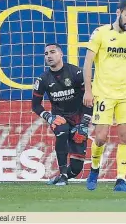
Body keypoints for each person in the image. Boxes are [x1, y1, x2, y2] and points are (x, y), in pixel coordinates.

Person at [83, 0, 126, 192]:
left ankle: (120, 180)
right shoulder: (101, 33)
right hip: (104, 93)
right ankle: (94, 169)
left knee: (125, 136)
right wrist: (87, 90)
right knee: (101, 137)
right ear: (118, 12)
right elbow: (87, 63)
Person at [32, 43, 93, 186]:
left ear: (61, 55)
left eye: (52, 52)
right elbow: (35, 105)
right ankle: (63, 175)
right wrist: (49, 117)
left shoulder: (75, 72)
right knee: (62, 131)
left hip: (79, 119)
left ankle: (64, 175)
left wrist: (84, 123)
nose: (49, 56)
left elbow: (90, 98)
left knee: (76, 169)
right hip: (59, 118)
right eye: (46, 54)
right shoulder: (43, 79)